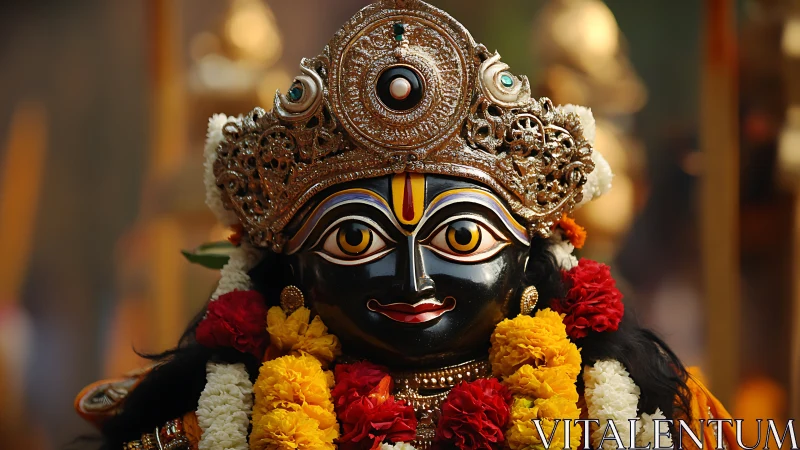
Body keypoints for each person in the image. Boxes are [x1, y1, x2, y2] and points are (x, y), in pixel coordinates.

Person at [75, 1, 734, 449]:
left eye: (462, 237)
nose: (413, 276)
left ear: (532, 263)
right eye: (357, 239)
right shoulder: (204, 428)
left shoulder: (634, 422)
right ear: (290, 270)